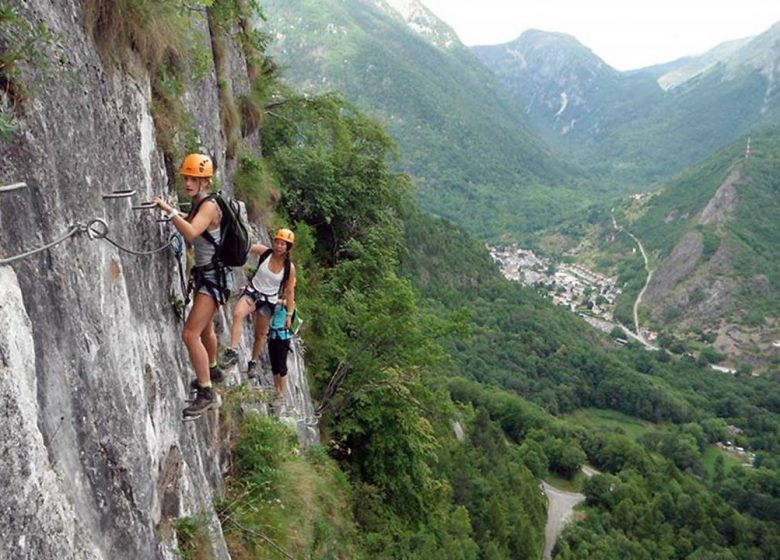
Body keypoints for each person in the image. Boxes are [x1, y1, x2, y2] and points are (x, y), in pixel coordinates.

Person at [154, 153, 233, 419]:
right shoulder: (201, 202)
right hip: (209, 275)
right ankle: (211, 368)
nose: (188, 182)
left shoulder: (209, 206)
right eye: (186, 177)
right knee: (206, 329)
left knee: (190, 334)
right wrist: (176, 214)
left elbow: (191, 232)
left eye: (194, 179)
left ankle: (206, 391)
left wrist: (170, 211)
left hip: (213, 279)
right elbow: (192, 227)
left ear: (205, 181)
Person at [222, 228, 296, 388]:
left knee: (260, 335)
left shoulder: (289, 268)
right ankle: (233, 351)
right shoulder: (265, 253)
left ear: (288, 247)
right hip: (253, 293)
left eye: (282, 244)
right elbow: (247, 245)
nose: (278, 246)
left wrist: (289, 315)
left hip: (269, 300)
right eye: (277, 242)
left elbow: (289, 292)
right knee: (237, 314)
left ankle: (253, 361)